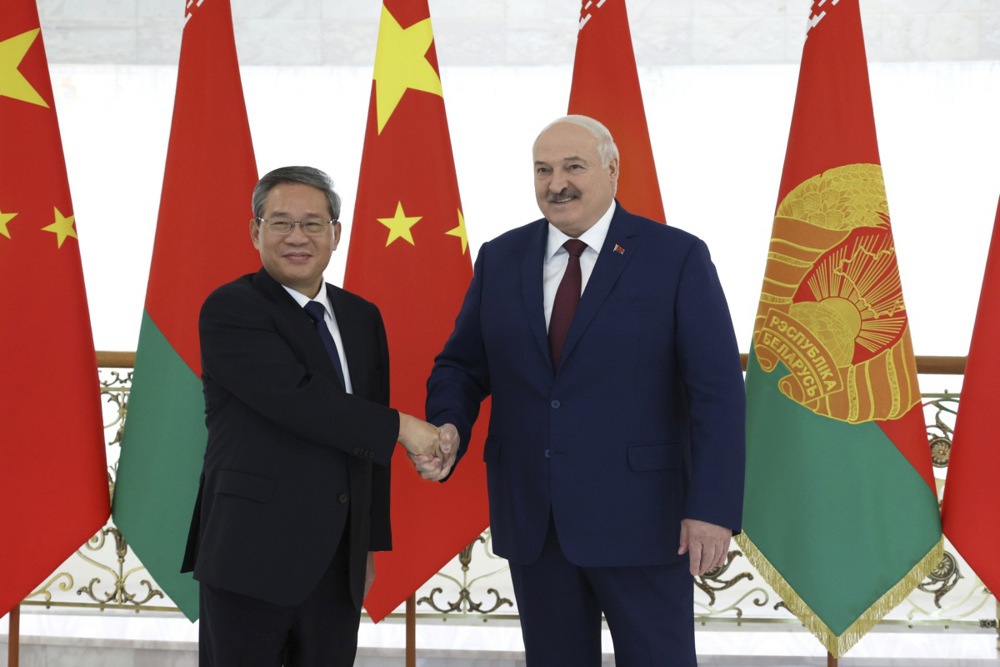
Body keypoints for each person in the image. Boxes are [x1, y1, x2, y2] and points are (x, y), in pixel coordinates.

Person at [419, 116, 746, 666]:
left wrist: (711, 508)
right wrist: (449, 422)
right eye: (543, 170)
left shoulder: (676, 257)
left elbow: (716, 392)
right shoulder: (501, 258)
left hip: (645, 521)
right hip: (535, 519)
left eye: (574, 166)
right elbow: (462, 364)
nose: (556, 183)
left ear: (612, 170)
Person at [181, 166, 445, 666]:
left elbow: (366, 448)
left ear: (336, 234)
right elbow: (299, 401)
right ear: (256, 231)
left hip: (337, 560)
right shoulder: (231, 308)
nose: (297, 237)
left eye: (313, 224)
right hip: (250, 555)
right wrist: (404, 428)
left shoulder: (361, 316)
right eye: (280, 223)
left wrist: (368, 546)